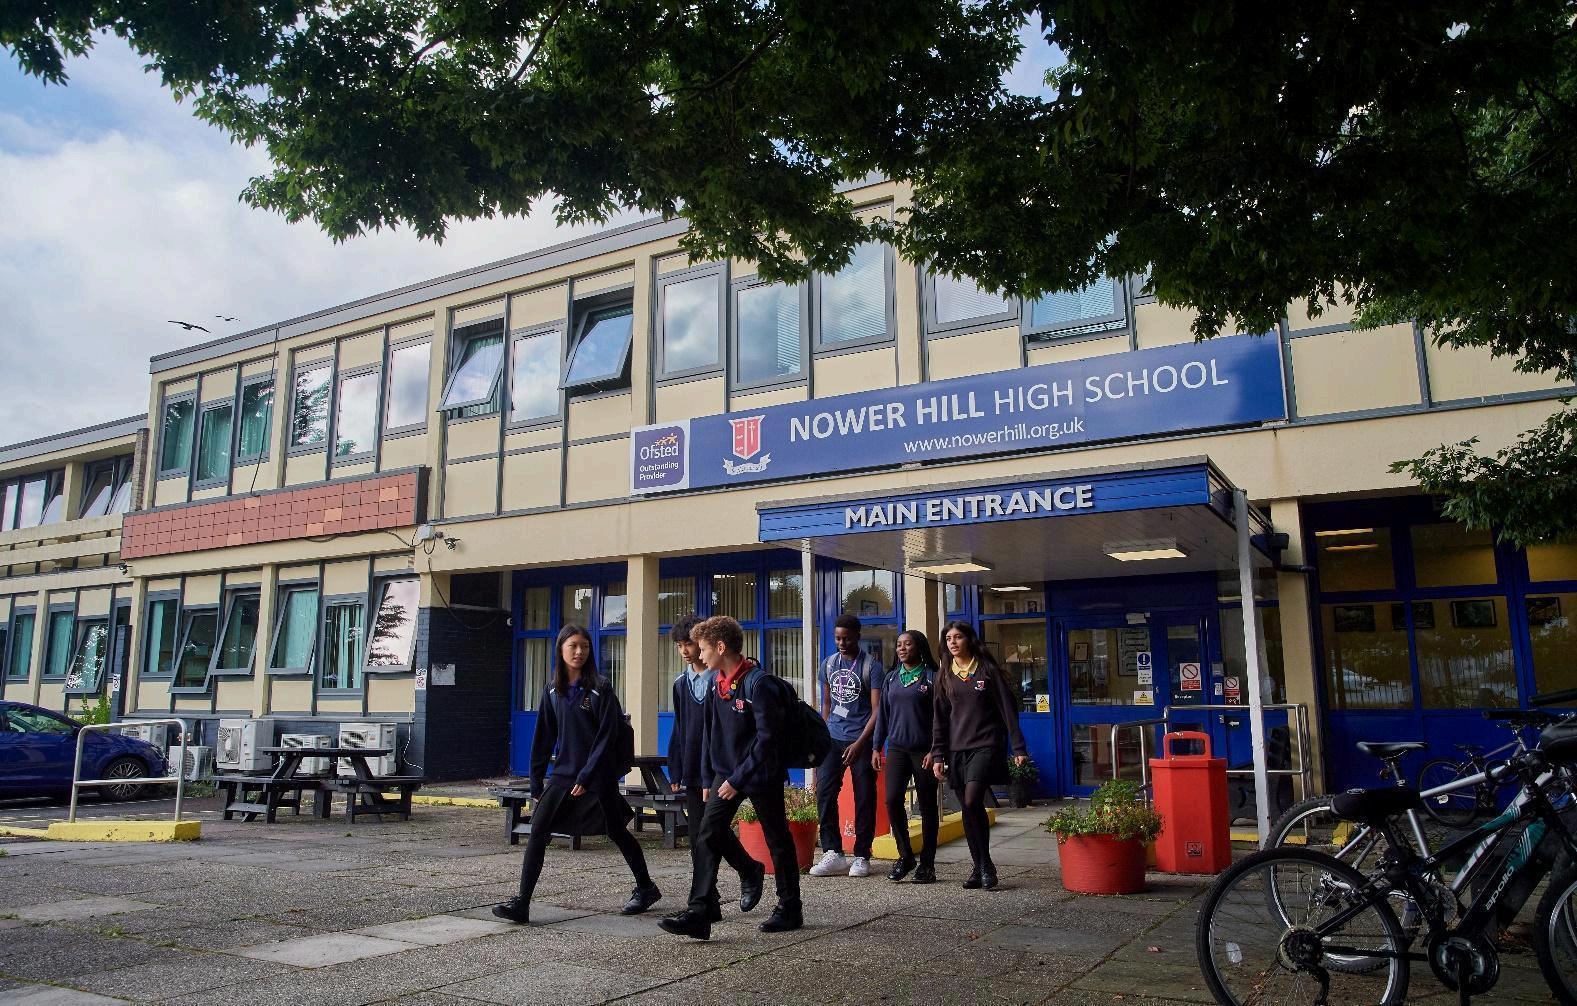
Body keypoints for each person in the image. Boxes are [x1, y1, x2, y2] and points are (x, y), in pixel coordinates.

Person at [494, 624, 661, 924]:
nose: (579, 651)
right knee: (538, 830)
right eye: (573, 646)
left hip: (597, 776)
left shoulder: (600, 688)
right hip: (563, 774)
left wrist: (587, 776)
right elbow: (543, 737)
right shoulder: (551, 690)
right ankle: (522, 903)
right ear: (560, 649)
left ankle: (646, 887)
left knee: (616, 831)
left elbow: (607, 736)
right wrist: (535, 781)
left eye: (584, 646)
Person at [659, 615, 801, 939]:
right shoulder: (717, 684)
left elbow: (768, 740)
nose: (700, 654)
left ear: (720, 647)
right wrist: (708, 778)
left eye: (704, 648)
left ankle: (790, 906)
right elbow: (711, 735)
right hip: (724, 774)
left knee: (777, 838)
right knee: (707, 835)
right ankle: (699, 912)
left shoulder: (759, 684)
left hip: (759, 773)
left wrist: (738, 778)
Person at [664, 616, 766, 924]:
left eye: (690, 644)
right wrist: (676, 765)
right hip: (694, 767)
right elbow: (680, 727)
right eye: (679, 646)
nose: (685, 651)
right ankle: (710, 901)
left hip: (721, 766)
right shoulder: (681, 683)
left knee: (708, 832)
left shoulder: (720, 679)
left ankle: (715, 895)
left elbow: (719, 730)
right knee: (702, 835)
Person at [930, 620, 1028, 890]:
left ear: (969, 640)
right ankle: (981, 865)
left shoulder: (986, 670)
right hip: (956, 750)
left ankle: (984, 865)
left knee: (973, 799)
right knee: (968, 807)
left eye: (958, 637)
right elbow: (939, 719)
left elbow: (1008, 709)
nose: (953, 642)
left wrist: (1018, 747)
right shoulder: (944, 675)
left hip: (986, 745)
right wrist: (938, 754)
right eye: (948, 638)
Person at [809, 614, 881, 878]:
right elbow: (827, 703)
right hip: (832, 739)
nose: (841, 643)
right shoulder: (829, 664)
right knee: (825, 792)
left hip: (861, 739)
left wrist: (860, 743)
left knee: (864, 797)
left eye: (846, 638)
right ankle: (833, 852)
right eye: (838, 638)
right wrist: (822, 734)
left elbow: (877, 710)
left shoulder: (872, 667)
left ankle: (862, 855)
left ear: (857, 636)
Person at [872, 629, 940, 883]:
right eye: (899, 644)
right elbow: (882, 716)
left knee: (927, 806)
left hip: (924, 751)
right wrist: (876, 747)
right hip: (897, 750)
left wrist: (936, 749)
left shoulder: (932, 677)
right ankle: (906, 856)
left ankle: (927, 865)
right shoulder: (891, 678)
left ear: (919, 647)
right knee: (891, 800)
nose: (901, 648)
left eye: (907, 644)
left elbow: (941, 717)